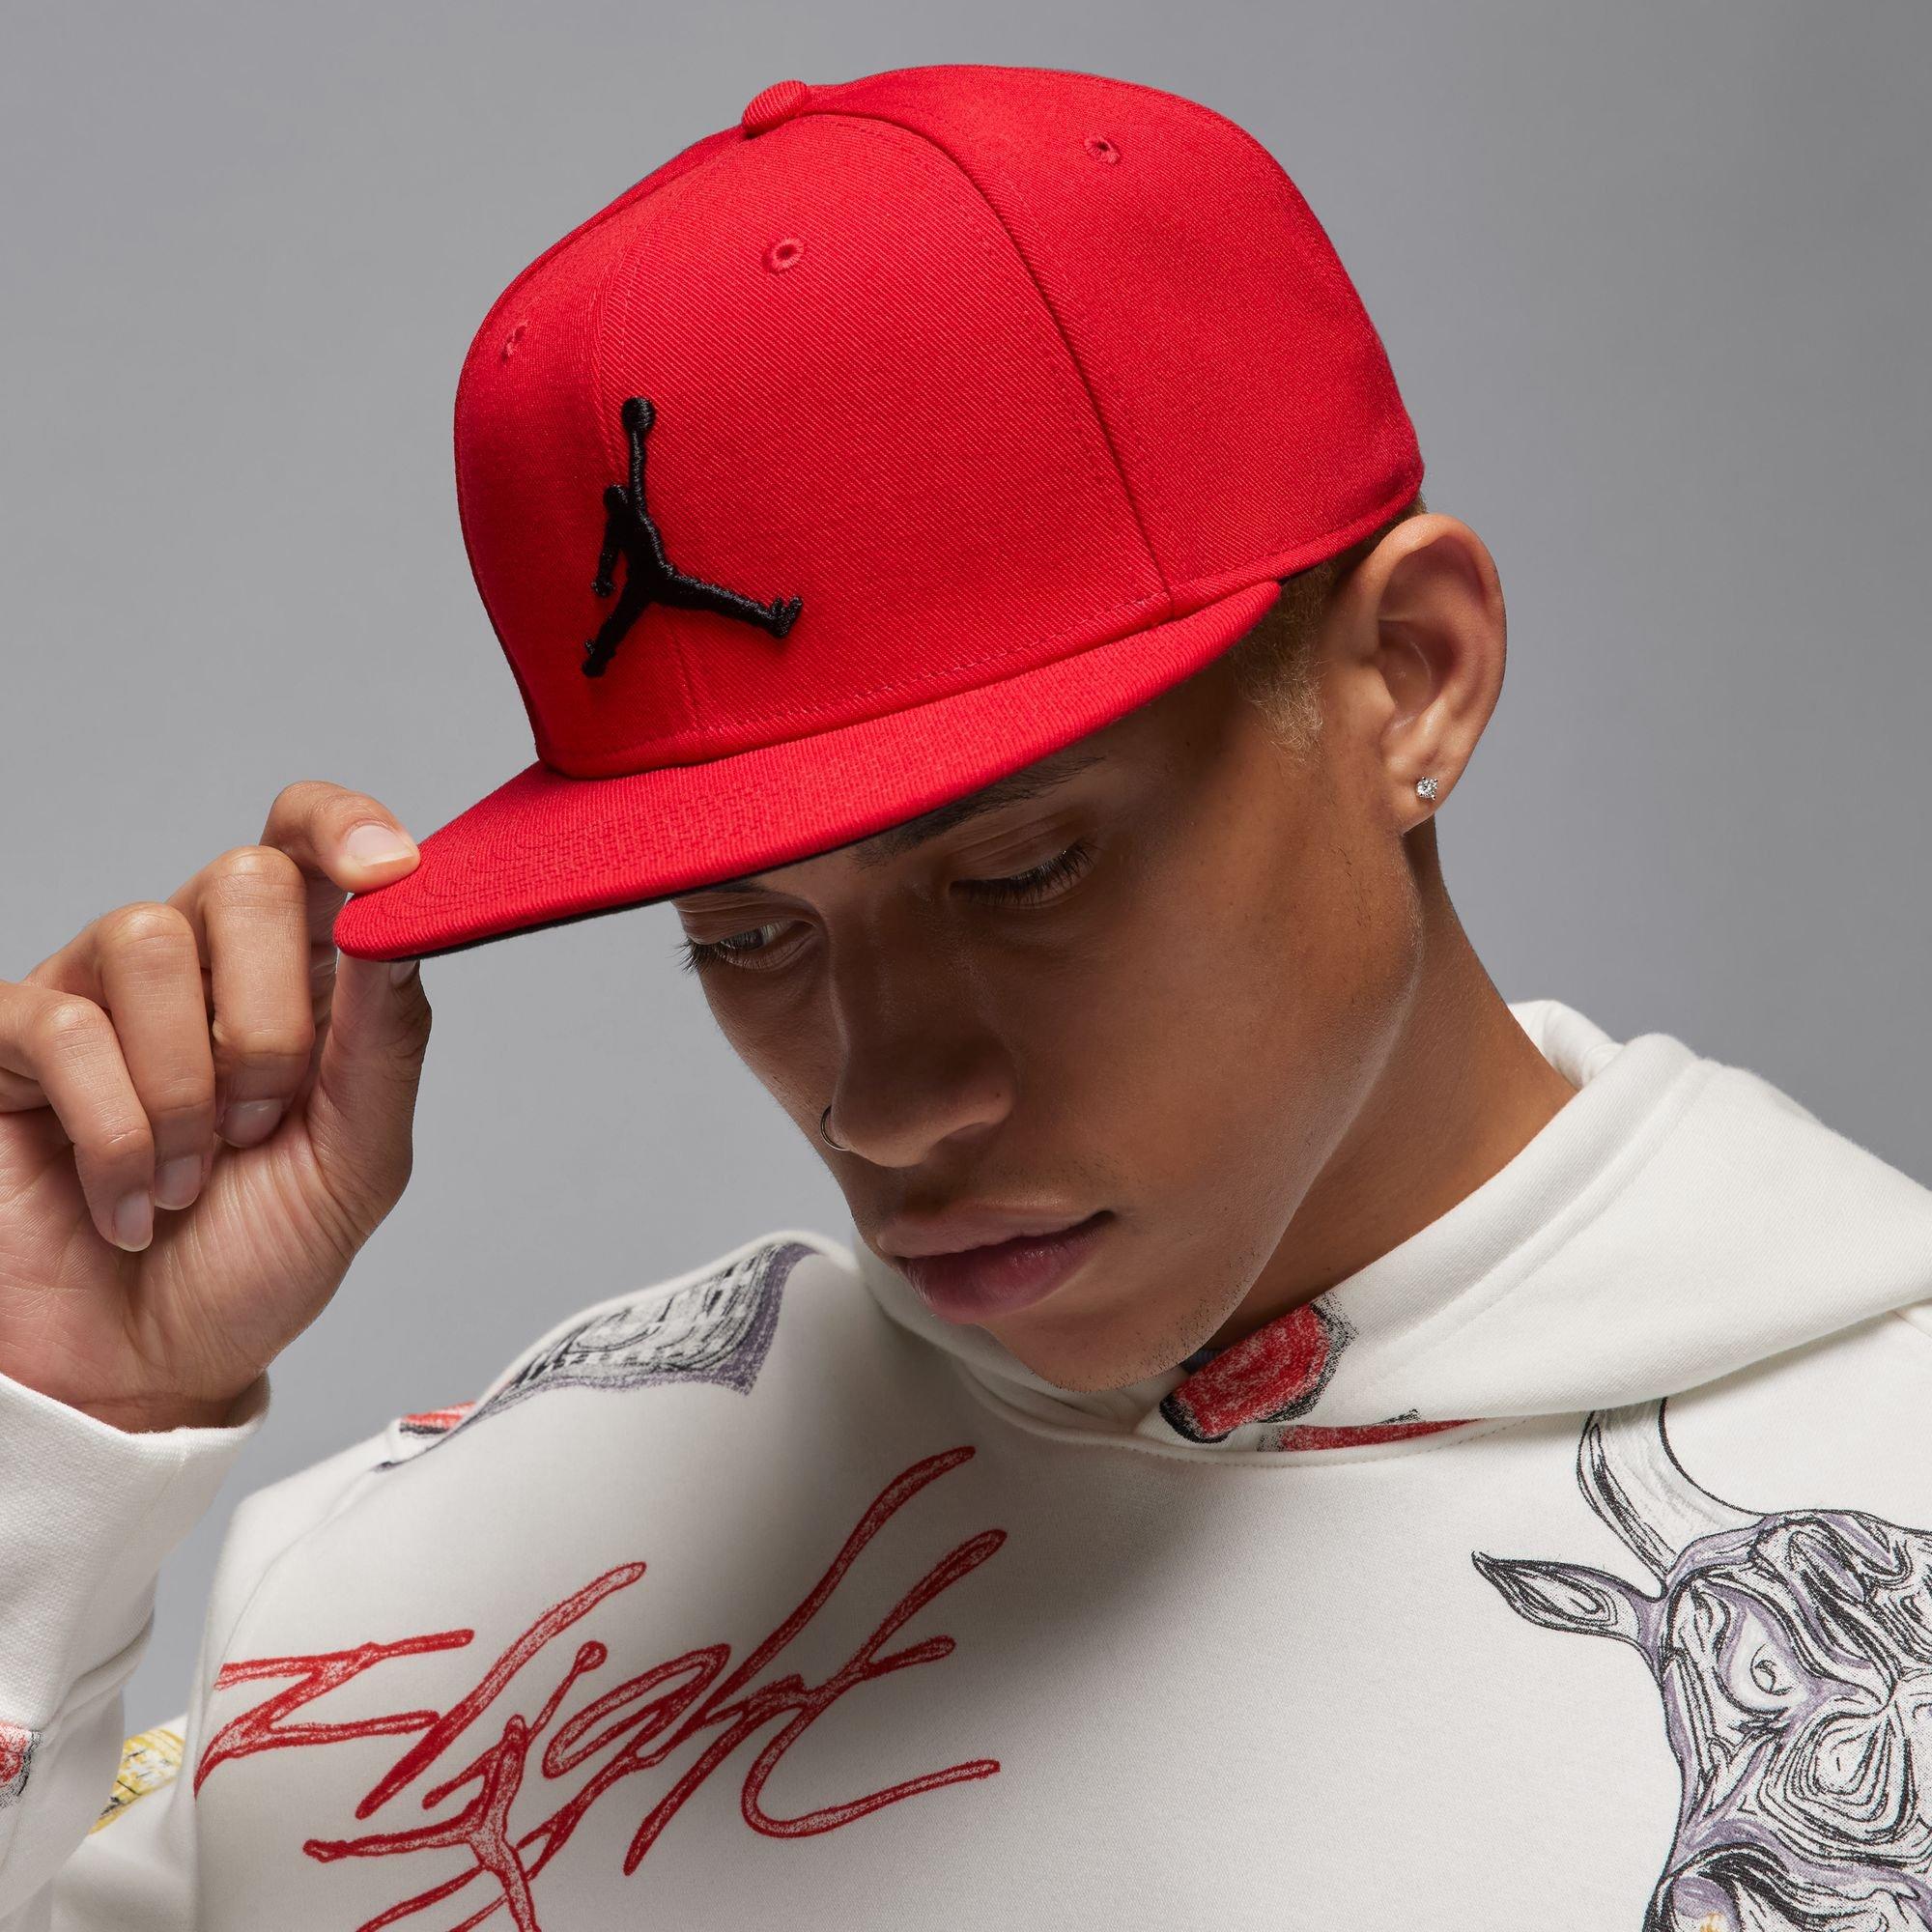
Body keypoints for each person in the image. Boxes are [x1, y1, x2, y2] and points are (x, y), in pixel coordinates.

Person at [3, 59, 1930, 1932]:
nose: (884, 1098)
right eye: (744, 934)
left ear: (1409, 677)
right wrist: (55, 1423)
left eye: (1022, 873)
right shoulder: (411, 1599)